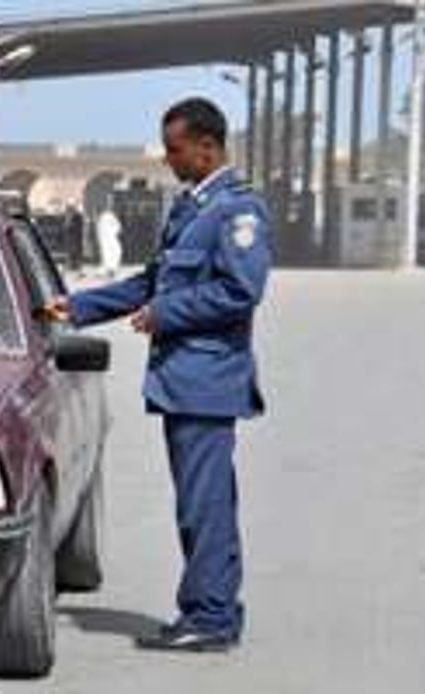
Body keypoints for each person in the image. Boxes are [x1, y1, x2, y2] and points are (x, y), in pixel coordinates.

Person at [47, 97, 272, 652]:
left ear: (207, 146)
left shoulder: (236, 212)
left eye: (176, 150)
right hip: (184, 380)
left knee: (205, 505)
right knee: (202, 502)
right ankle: (214, 609)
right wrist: (76, 308)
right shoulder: (190, 208)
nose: (169, 160)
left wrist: (167, 315)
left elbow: (241, 291)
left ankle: (210, 618)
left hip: (207, 380)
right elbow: (151, 283)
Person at [95, 206, 124, 278]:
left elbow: (117, 226)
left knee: (112, 252)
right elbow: (118, 227)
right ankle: (110, 269)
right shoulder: (105, 217)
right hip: (108, 239)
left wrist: (114, 233)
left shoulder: (106, 217)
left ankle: (111, 269)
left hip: (109, 239)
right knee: (110, 253)